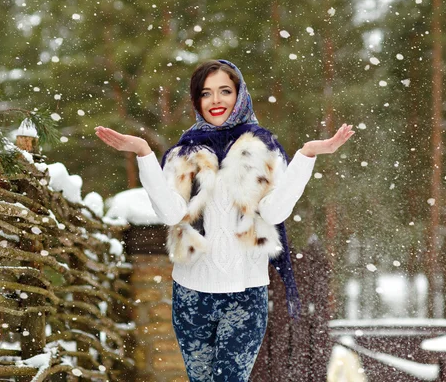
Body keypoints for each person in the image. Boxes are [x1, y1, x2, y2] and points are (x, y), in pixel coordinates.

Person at [95, 59, 354, 381]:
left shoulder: (264, 150)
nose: (216, 100)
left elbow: (274, 213)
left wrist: (306, 157)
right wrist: (144, 153)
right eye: (206, 93)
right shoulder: (183, 154)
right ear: (196, 100)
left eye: (225, 91)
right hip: (191, 293)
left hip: (245, 295)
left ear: (240, 95)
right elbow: (172, 214)